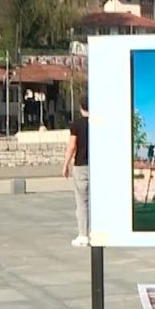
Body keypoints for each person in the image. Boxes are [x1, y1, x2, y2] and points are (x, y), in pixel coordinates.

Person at [64, 96, 90, 247]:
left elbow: (72, 146)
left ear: (81, 107)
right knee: (96, 201)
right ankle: (96, 232)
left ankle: (83, 235)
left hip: (81, 166)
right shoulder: (98, 124)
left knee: (82, 201)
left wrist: (65, 164)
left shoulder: (76, 125)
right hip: (97, 166)